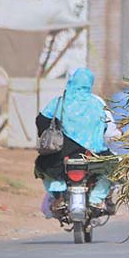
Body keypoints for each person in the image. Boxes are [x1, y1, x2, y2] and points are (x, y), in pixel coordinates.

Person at [35, 68, 114, 214]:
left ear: (71, 82)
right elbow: (105, 127)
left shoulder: (60, 102)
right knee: (113, 169)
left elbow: (41, 120)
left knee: (42, 167)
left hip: (62, 153)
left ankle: (58, 195)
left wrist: (47, 133)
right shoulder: (96, 104)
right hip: (93, 153)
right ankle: (96, 199)